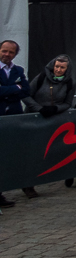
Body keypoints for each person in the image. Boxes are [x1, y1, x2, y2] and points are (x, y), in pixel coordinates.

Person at [0, 39, 30, 208]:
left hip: (13, 117)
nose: (7, 55)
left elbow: (26, 90)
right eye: (4, 51)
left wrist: (10, 90)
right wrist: (14, 89)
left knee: (8, 156)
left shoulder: (18, 70)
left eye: (11, 52)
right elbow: (18, 89)